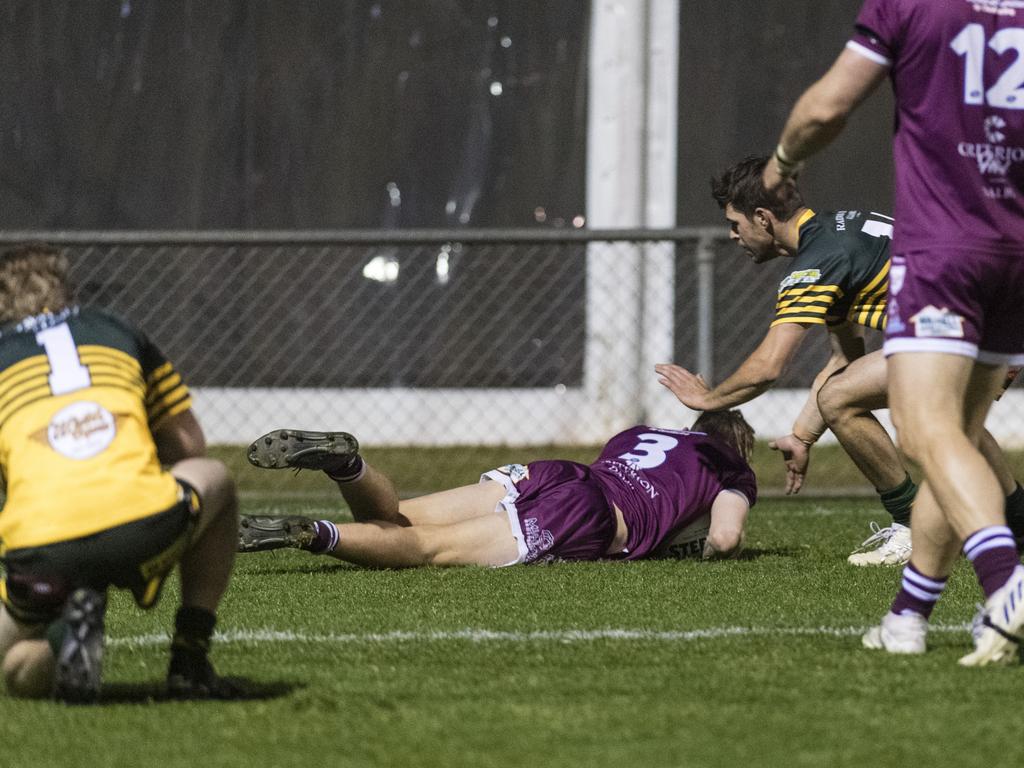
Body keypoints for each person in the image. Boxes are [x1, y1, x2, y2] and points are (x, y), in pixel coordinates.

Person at [762, 2, 1024, 665]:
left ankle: (1006, 581)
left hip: (944, 249)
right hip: (1017, 249)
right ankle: (908, 614)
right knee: (955, 439)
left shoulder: (912, 4)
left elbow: (827, 107)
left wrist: (782, 158)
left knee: (924, 425)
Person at [655, 155, 1024, 567]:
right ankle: (1017, 521)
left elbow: (769, 365)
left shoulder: (817, 260)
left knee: (856, 403)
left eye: (735, 223)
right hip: (994, 319)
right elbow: (846, 357)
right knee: (937, 418)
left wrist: (708, 400)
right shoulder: (836, 231)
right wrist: (802, 435)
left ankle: (914, 526)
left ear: (762, 218)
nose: (732, 235)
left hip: (973, 330)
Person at [0, 244, 239, 702]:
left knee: (14, 671)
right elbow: (189, 445)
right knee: (216, 478)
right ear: (64, 289)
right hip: (144, 524)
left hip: (42, 551)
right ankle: (190, 658)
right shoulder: (112, 327)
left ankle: (63, 638)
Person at [236, 410, 757, 568]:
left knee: (398, 517)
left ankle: (348, 466)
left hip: (558, 473)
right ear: (736, 446)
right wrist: (695, 547)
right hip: (586, 510)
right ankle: (315, 533)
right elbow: (727, 538)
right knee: (424, 549)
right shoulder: (731, 466)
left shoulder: (641, 433)